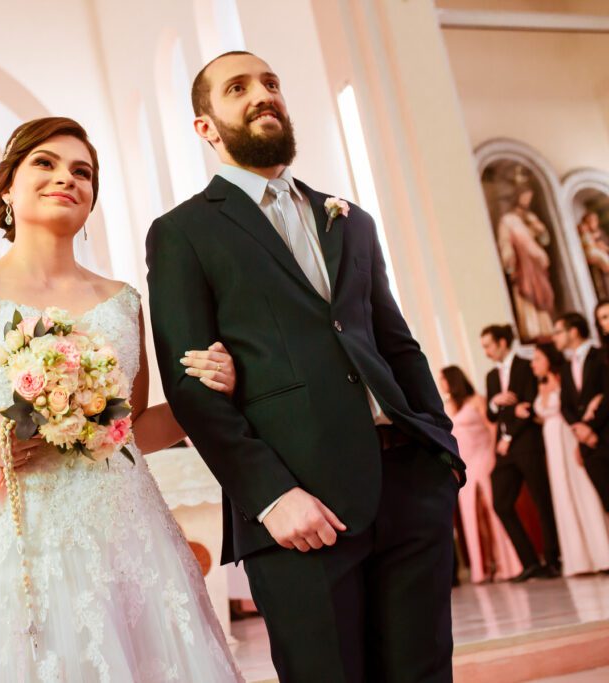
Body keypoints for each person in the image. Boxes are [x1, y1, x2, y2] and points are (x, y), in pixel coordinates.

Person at [145, 51, 464, 682]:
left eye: (270, 84)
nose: (262, 95)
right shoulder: (183, 232)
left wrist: (439, 442)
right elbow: (192, 387)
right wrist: (271, 497)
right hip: (301, 503)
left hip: (407, 483)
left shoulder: (348, 218)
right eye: (238, 88)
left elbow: (393, 344)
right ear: (206, 127)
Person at [0, 117, 245, 680]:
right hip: (27, 540)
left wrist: (210, 392)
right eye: (46, 164)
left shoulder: (123, 301)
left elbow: (131, 433)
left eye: (83, 172)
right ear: (7, 187)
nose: (67, 179)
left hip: (131, 535)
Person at [481, 323, 561, 580]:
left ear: (503, 343)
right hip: (505, 452)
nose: (486, 352)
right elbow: (493, 416)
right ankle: (529, 562)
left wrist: (508, 435)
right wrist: (495, 402)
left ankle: (553, 559)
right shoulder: (491, 377)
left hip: (526, 443)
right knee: (501, 503)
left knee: (542, 500)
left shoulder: (527, 367)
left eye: (489, 346)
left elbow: (527, 408)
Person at [526, 340, 609, 575]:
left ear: (549, 359)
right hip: (551, 444)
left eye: (537, 359)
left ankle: (602, 553)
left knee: (584, 491)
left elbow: (573, 406)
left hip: (569, 435)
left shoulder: (565, 377)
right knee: (563, 495)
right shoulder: (538, 385)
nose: (533, 364)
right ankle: (578, 559)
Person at [440, 366, 521, 583]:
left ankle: (506, 563)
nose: (441, 383)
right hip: (464, 464)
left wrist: (494, 454)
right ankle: (484, 566)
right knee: (471, 515)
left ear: (453, 380)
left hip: (483, 457)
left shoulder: (477, 400)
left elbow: (492, 427)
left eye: (443, 379)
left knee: (491, 509)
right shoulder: (447, 406)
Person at [556, 311, 609, 514]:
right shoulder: (567, 367)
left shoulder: (601, 355)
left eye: (559, 332)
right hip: (588, 446)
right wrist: (579, 430)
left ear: (574, 331)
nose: (555, 337)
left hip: (604, 433)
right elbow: (565, 406)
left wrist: (590, 427)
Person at [496, 175, 555, 340]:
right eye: (524, 195)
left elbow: (545, 240)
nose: (527, 199)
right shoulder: (508, 219)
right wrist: (509, 260)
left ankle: (547, 329)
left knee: (543, 295)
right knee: (527, 296)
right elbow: (505, 241)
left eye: (529, 195)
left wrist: (537, 228)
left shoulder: (531, 218)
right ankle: (533, 330)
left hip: (536, 263)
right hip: (522, 265)